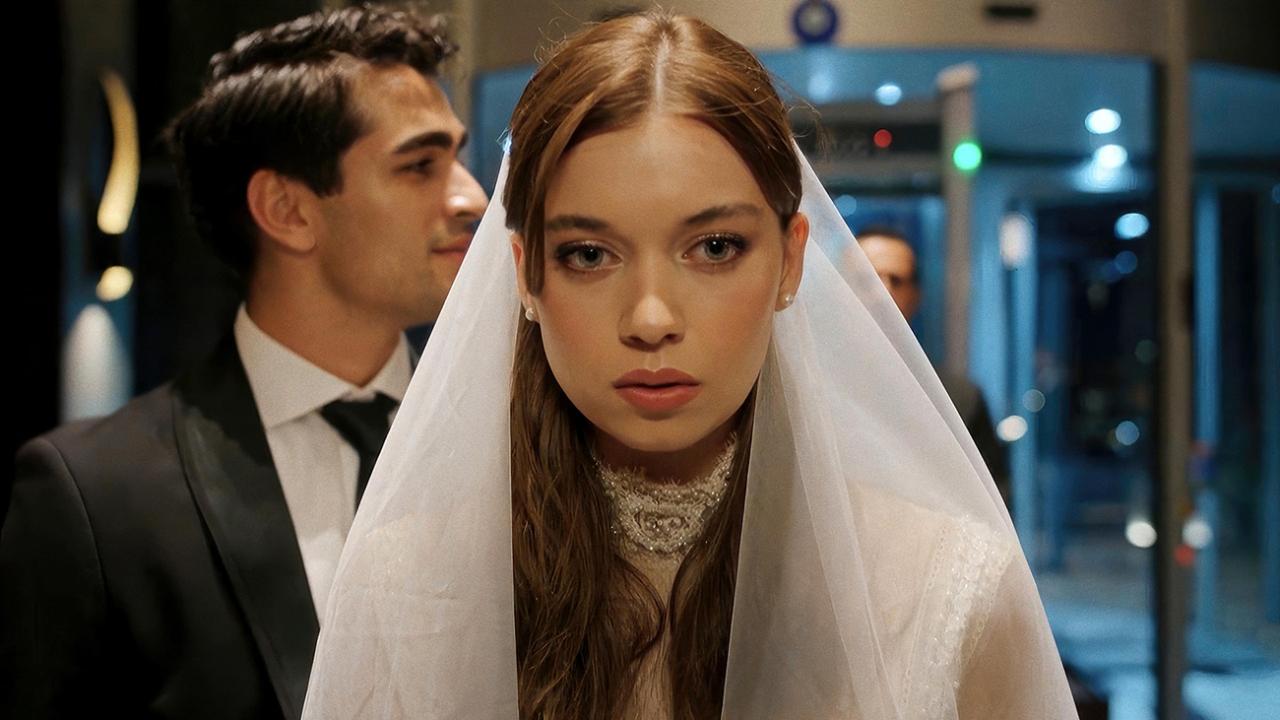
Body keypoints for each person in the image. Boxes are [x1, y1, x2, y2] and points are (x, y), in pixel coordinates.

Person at [302, 11, 1076, 720]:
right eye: (589, 254)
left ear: (790, 263)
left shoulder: (948, 591)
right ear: (526, 275)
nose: (651, 319)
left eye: (714, 248)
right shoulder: (409, 587)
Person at [1, 5, 486, 719]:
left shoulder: (509, 444)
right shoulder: (95, 495)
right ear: (287, 211)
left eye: (458, 159)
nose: (472, 196)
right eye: (420, 165)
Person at [853, 227, 1011, 507]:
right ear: (840, 285)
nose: (883, 291)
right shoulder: (804, 388)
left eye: (896, 280)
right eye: (868, 277)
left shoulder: (959, 399)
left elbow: (992, 505)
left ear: (915, 295)